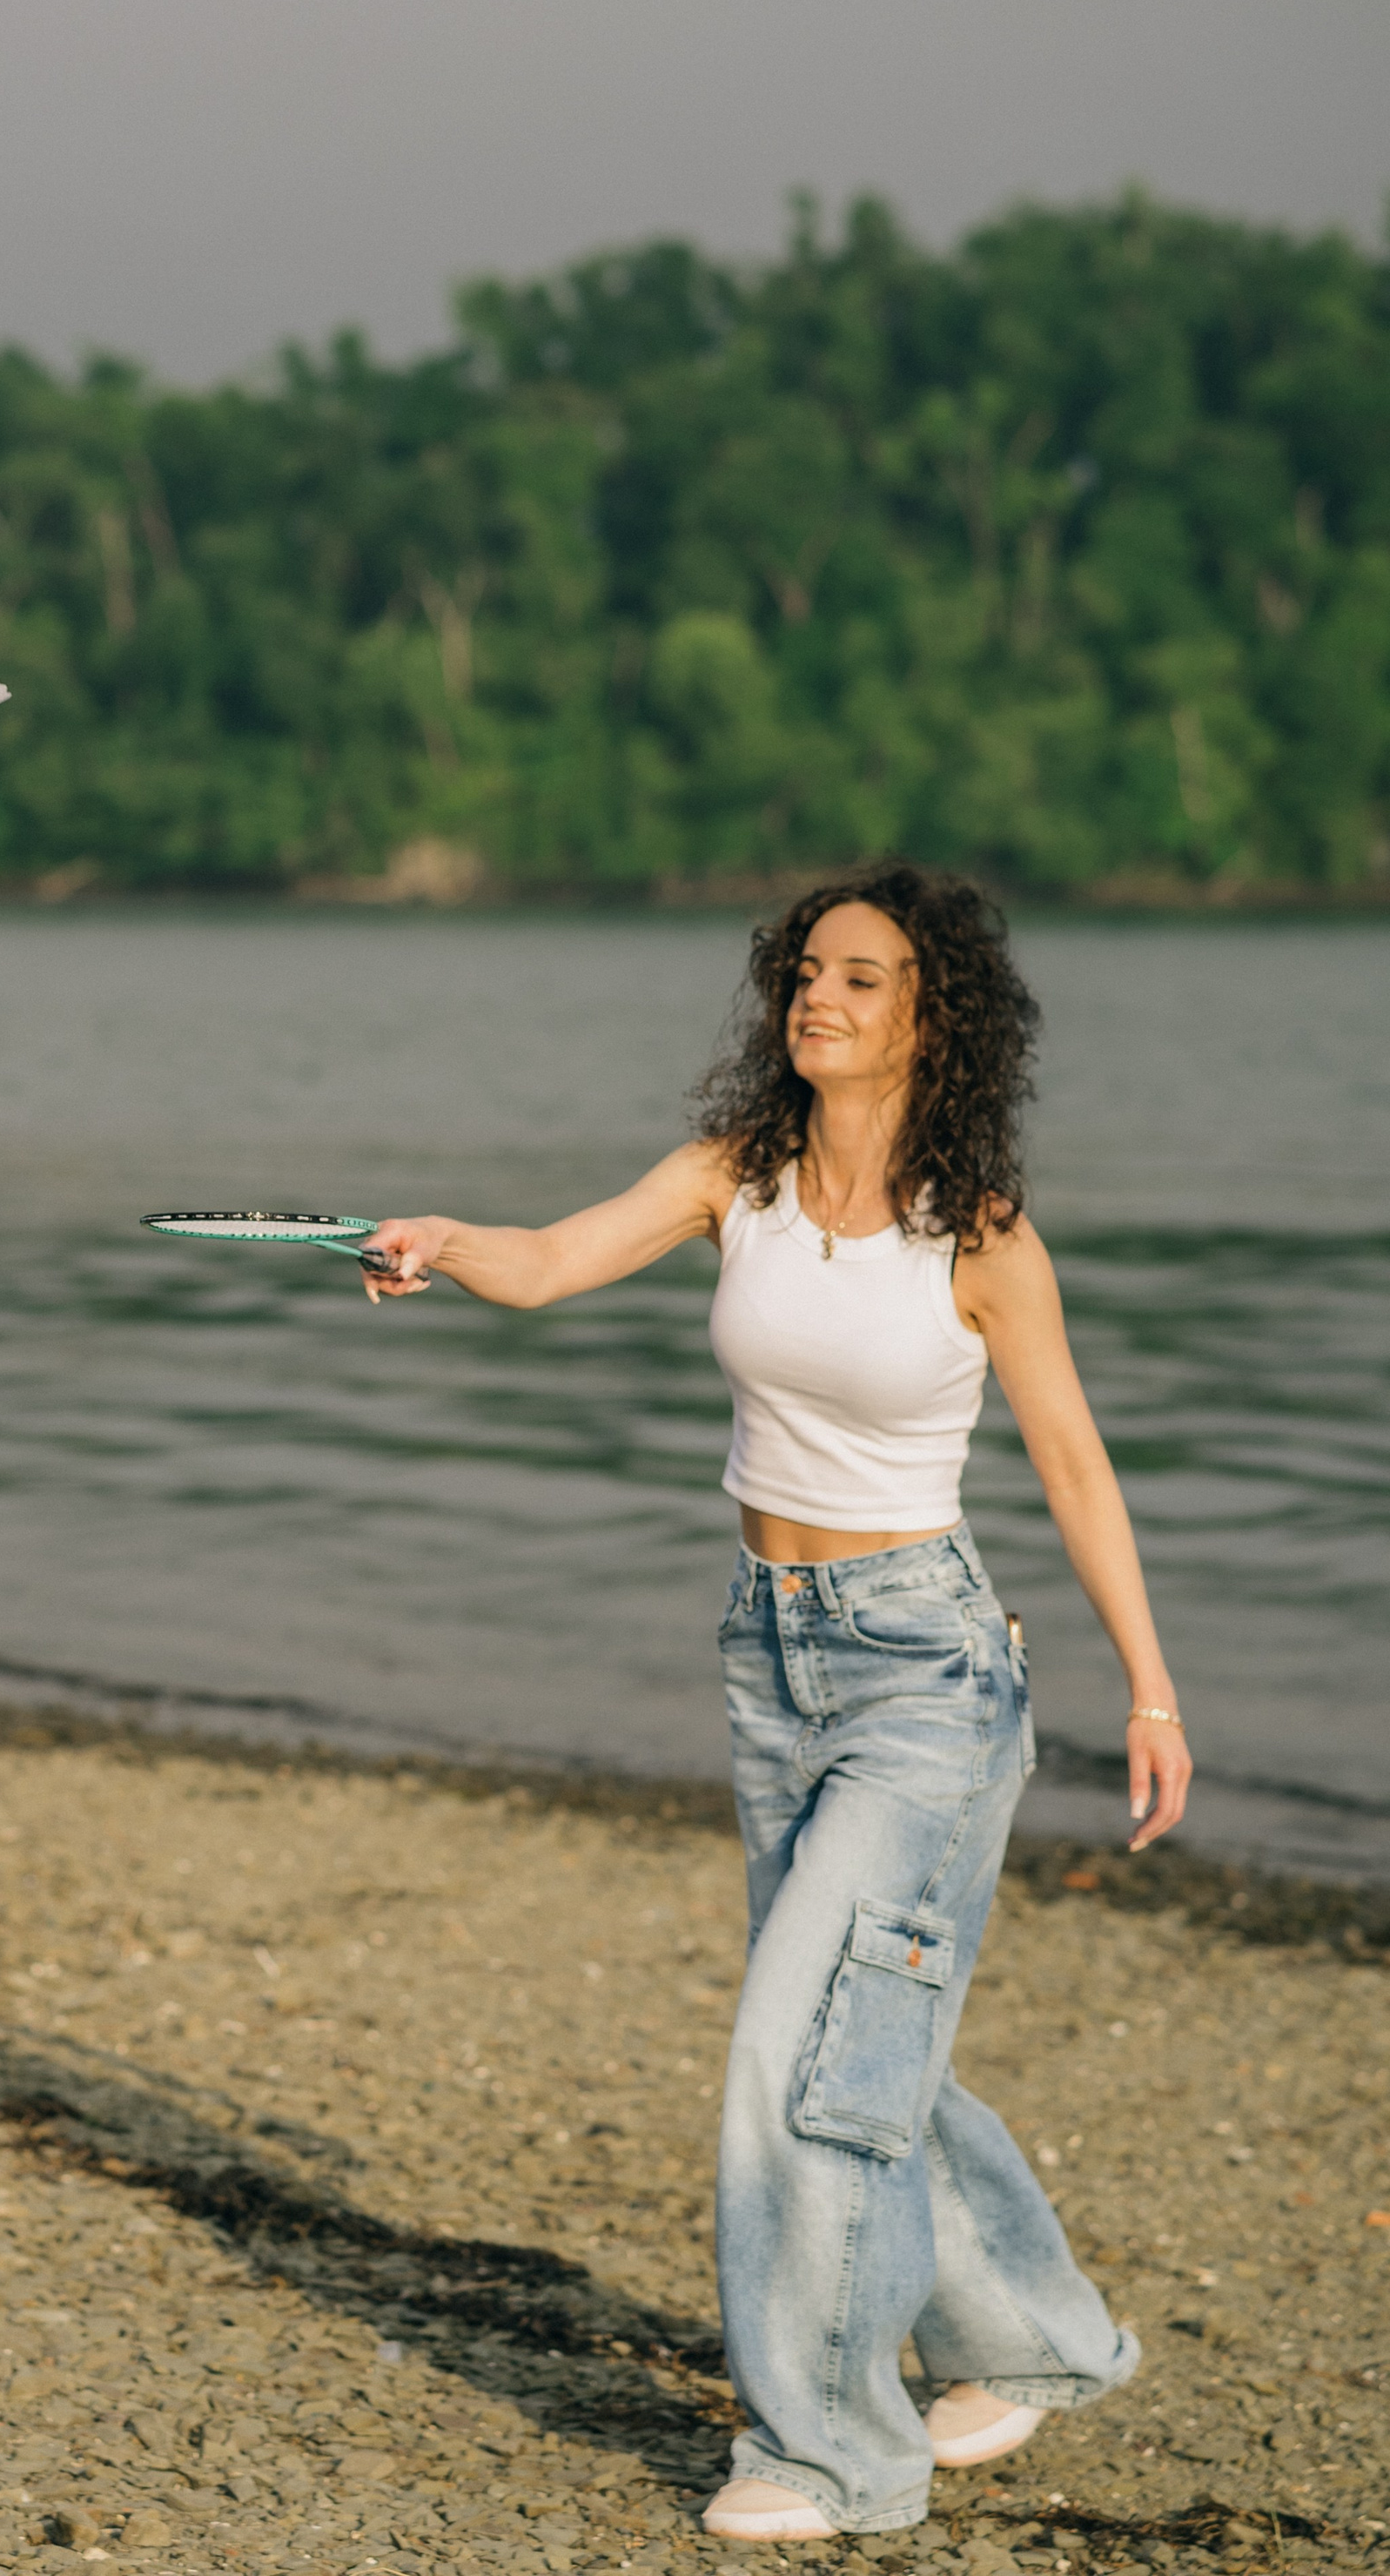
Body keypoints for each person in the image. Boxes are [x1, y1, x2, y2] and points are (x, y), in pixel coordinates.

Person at [359, 861, 1189, 2541]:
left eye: (865, 978)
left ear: (931, 1017)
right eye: (807, 971)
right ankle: (1037, 2340)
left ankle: (830, 2453)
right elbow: (550, 1258)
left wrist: (1155, 1697)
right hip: (771, 1656)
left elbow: (1080, 1472)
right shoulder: (734, 1176)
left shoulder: (982, 1239)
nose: (821, 997)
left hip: (928, 1677)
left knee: (798, 2049)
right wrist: (443, 1247)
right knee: (861, 2043)